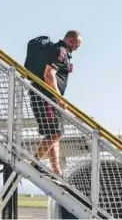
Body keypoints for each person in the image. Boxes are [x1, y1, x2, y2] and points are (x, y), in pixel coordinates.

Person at [28, 30, 82, 177]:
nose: (76, 49)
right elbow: (49, 74)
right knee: (56, 133)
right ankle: (34, 163)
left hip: (43, 95)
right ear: (70, 40)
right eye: (77, 45)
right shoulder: (61, 51)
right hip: (47, 97)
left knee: (53, 133)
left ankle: (56, 170)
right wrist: (59, 98)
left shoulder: (56, 51)